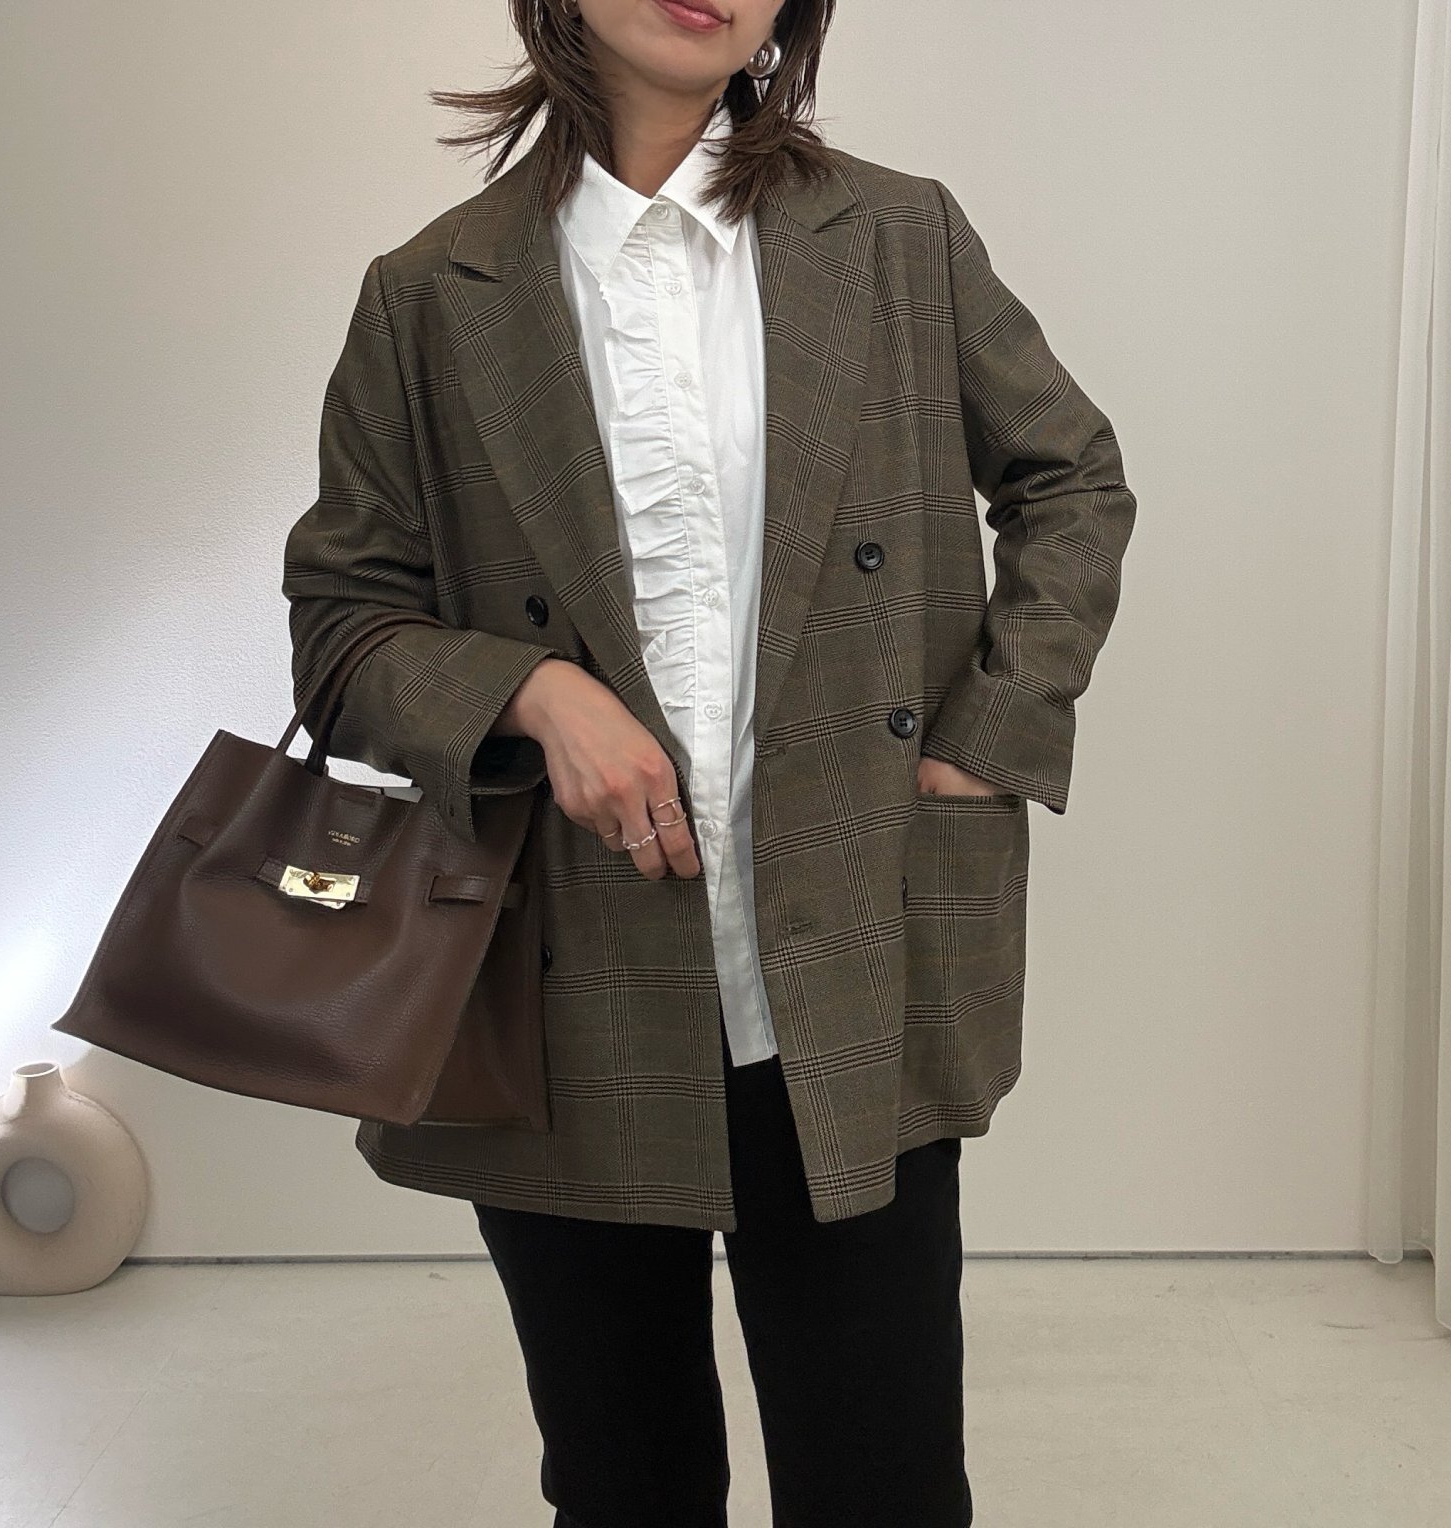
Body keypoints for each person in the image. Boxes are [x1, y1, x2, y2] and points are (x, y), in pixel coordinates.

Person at [281, 1, 1138, 1522]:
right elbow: (346, 625)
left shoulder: (897, 238)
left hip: (850, 938)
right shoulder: (433, 292)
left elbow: (1071, 478)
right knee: (625, 1482)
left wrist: (990, 736)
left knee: (881, 1483)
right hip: (563, 974)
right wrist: (533, 691)